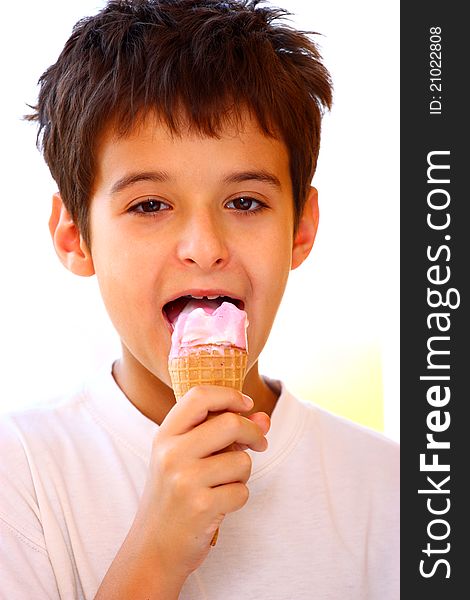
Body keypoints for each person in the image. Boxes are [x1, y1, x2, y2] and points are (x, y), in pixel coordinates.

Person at [0, 0, 399, 598]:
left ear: (302, 227)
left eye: (245, 202)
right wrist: (155, 553)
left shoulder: (396, 492)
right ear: (74, 236)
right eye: (149, 205)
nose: (204, 247)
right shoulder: (21, 474)